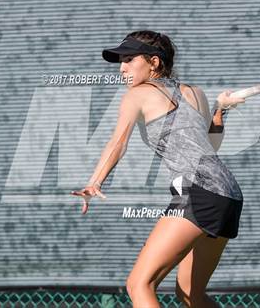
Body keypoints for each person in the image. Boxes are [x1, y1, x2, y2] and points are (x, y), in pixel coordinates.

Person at [70, 30, 245, 308]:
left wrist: (95, 181)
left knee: (139, 284)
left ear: (153, 62)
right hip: (229, 195)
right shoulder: (194, 93)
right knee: (190, 294)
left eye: (129, 59)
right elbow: (210, 146)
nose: (122, 67)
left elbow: (117, 143)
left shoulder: (137, 94)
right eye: (120, 61)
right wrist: (220, 111)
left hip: (199, 190)